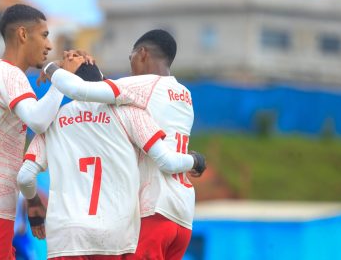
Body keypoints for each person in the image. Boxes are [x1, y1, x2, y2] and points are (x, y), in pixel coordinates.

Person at [16, 63, 206, 259]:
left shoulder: (51, 122)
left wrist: (33, 201)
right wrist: (195, 160)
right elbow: (166, 159)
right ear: (102, 82)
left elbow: (24, 177)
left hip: (67, 234)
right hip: (114, 233)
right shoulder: (130, 113)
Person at [0, 4, 84, 259]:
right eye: (44, 35)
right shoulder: (11, 74)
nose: (50, 45)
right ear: (22, 34)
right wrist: (62, 79)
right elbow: (39, 121)